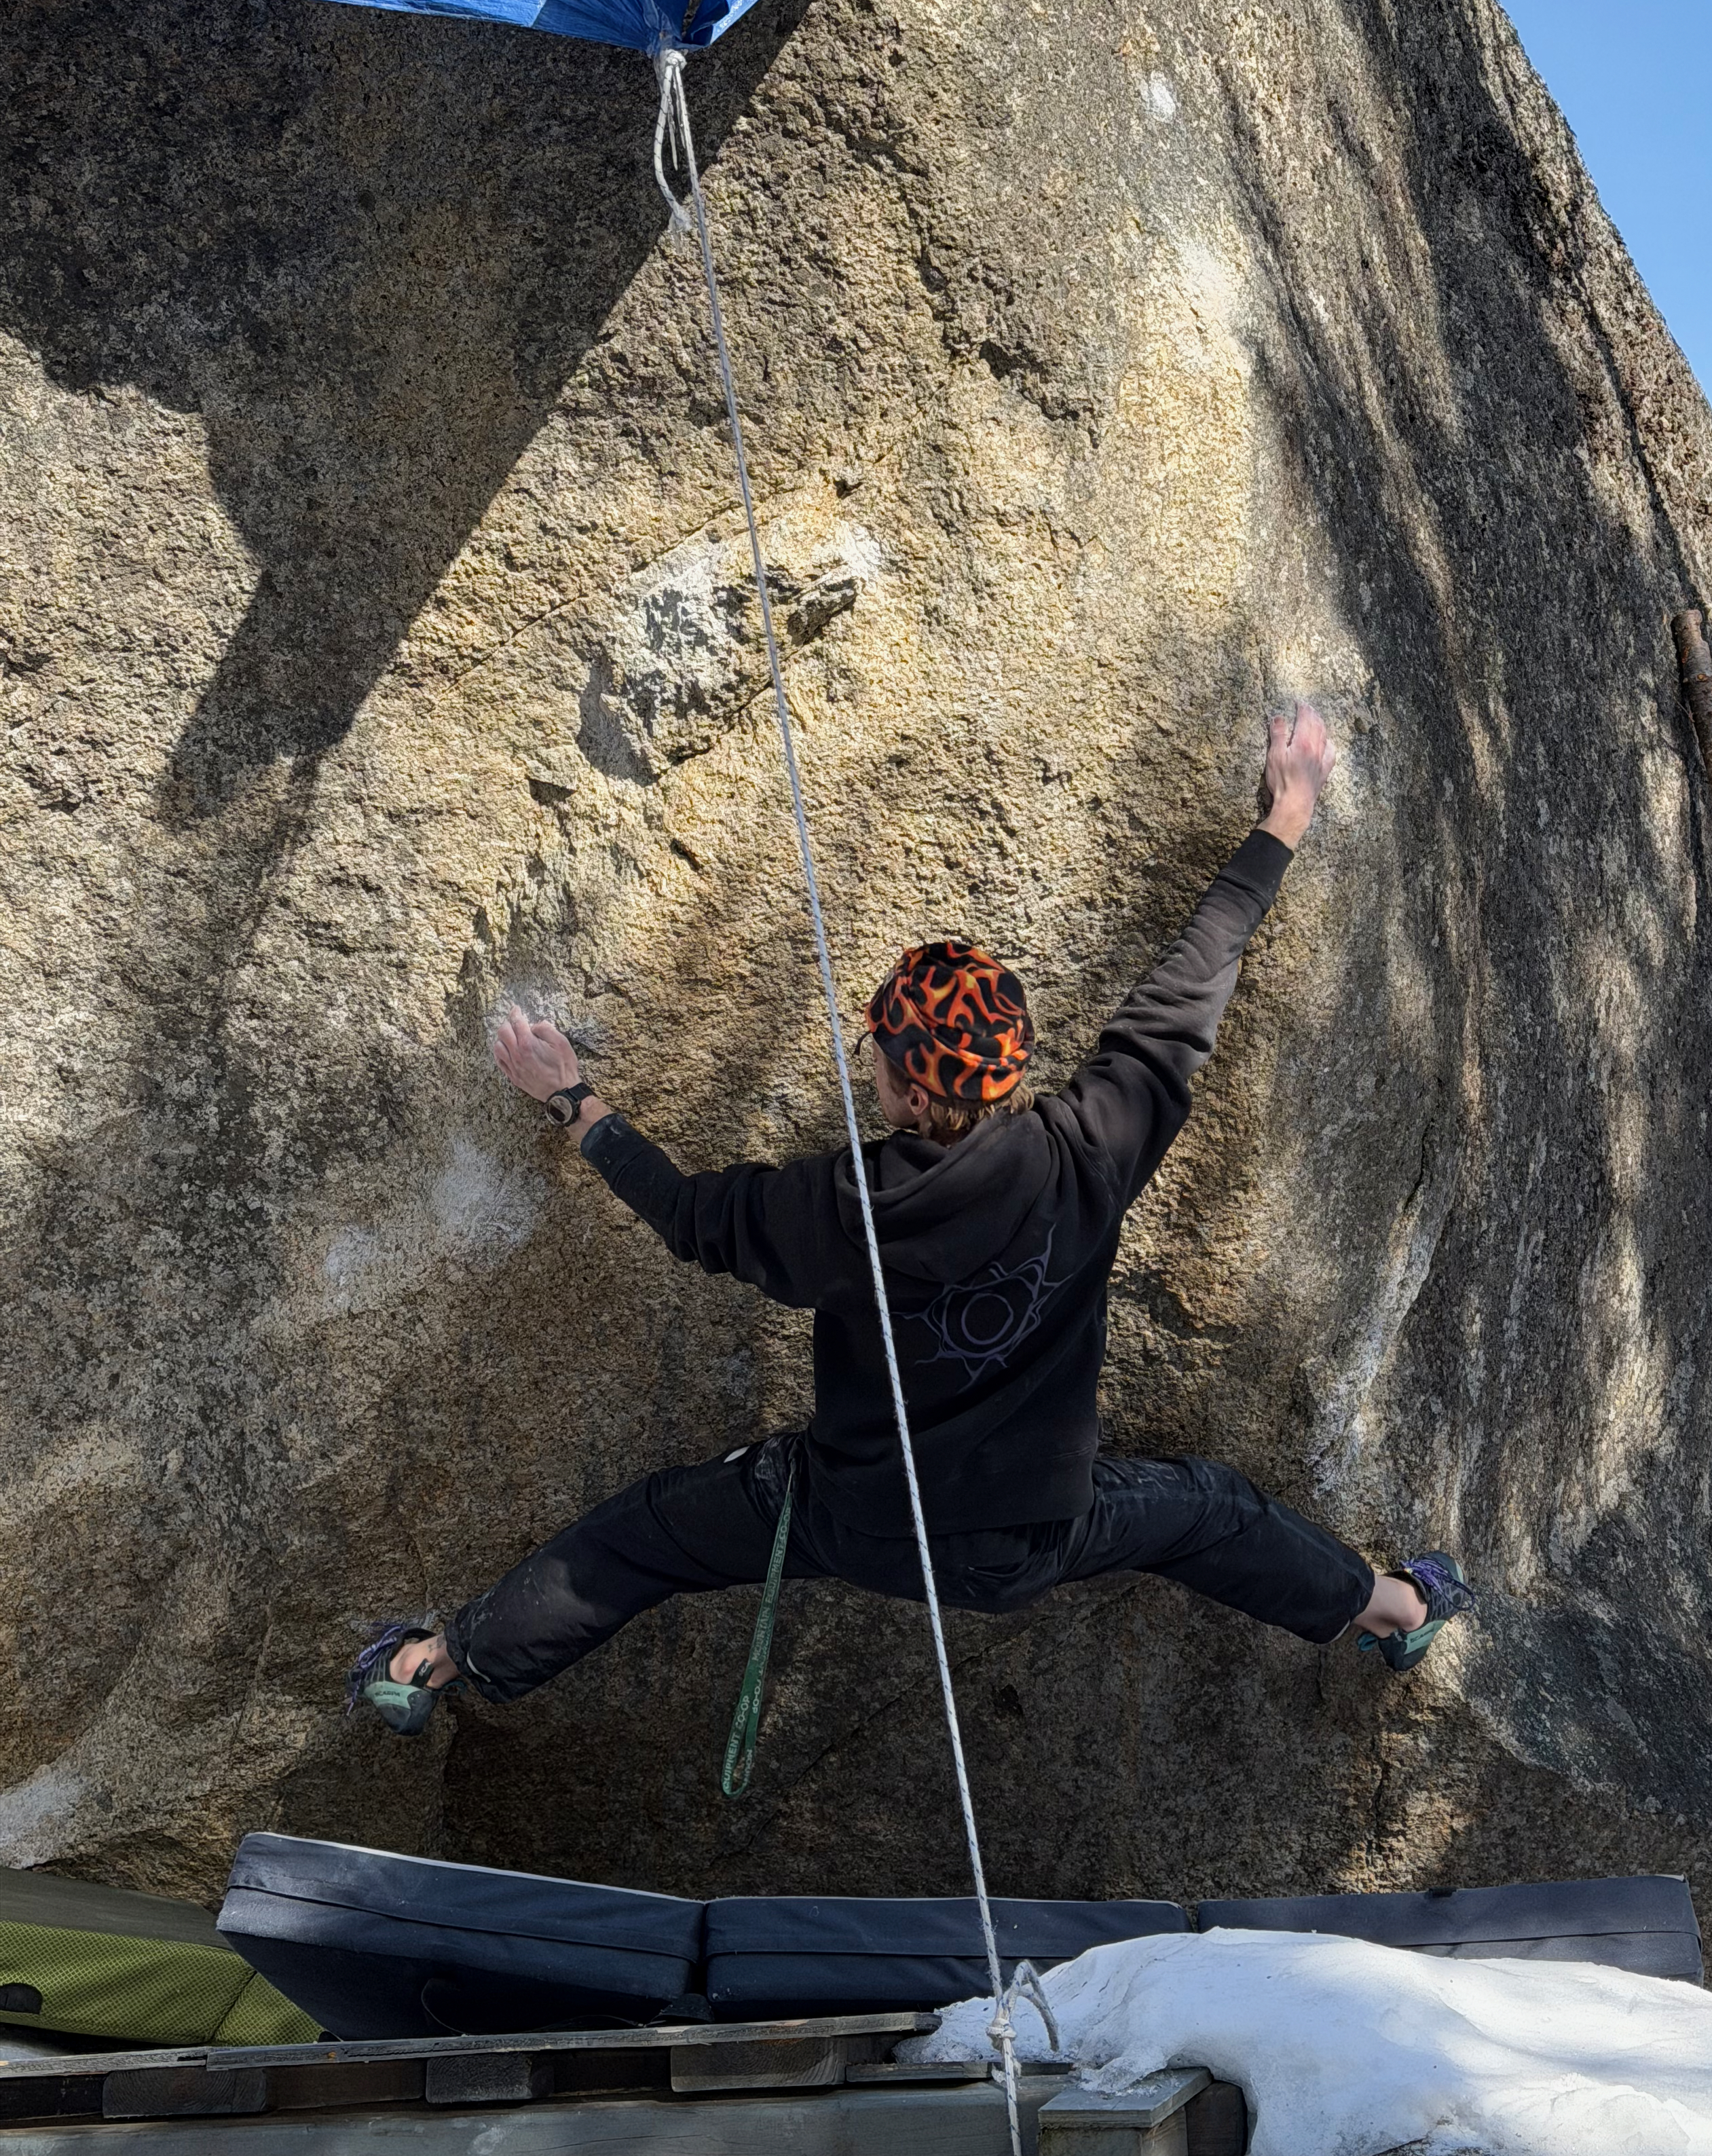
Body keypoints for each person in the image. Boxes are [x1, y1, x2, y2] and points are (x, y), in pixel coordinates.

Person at [348, 702, 1476, 1732]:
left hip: (857, 1521)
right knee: (1211, 1511)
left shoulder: (844, 1206)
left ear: (898, 1084)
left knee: (646, 1538)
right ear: (1008, 1067)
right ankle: (1394, 1610)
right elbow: (1184, 997)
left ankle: (432, 1668)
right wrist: (1286, 816)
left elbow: (692, 1218)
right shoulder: (1092, 1149)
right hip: (1033, 1539)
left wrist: (577, 1105)